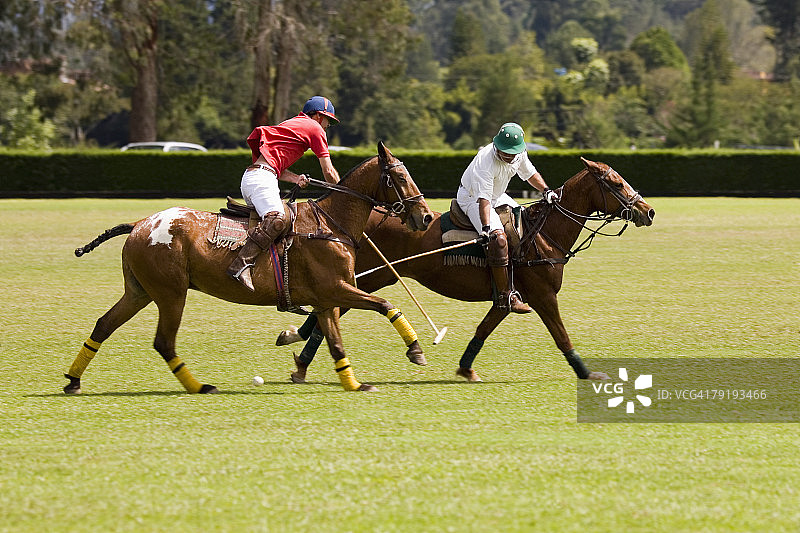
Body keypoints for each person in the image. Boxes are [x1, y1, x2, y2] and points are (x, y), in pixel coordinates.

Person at [227, 96, 341, 291]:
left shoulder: (293, 123)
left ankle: (283, 285)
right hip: (261, 180)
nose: (327, 126)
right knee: (277, 219)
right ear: (318, 116)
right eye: (328, 120)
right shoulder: (315, 128)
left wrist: (296, 179)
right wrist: (342, 193)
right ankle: (240, 265)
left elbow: (275, 166)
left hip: (256, 177)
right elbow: (329, 171)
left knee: (289, 226)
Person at [456, 122, 559, 313]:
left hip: (497, 195)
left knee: (526, 220)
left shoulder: (519, 153)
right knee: (499, 239)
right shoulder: (485, 161)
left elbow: (529, 174)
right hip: (472, 198)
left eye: (513, 153)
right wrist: (486, 229)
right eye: (505, 153)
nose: (510, 156)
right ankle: (506, 296)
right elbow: (484, 199)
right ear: (497, 145)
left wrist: (546, 191)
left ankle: (523, 276)